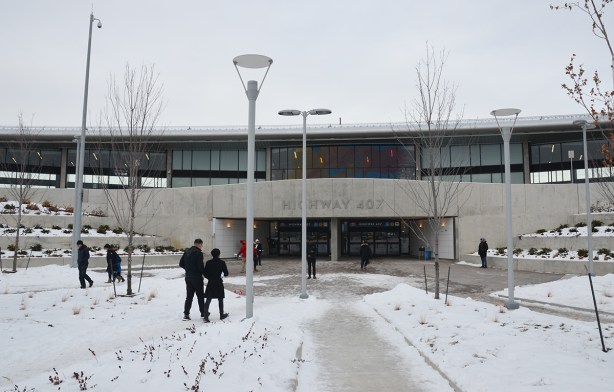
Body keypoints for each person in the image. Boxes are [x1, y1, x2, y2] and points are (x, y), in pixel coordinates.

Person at [179, 238, 207, 321]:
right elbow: (200, 266)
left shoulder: (186, 251)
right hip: (197, 277)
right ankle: (203, 313)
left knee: (189, 297)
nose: (202, 246)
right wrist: (204, 273)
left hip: (188, 277)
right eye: (201, 245)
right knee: (200, 296)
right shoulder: (198, 253)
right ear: (199, 244)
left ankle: (186, 315)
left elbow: (181, 263)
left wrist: (188, 269)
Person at [203, 248, 229, 322]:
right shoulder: (222, 262)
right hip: (218, 282)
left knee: (208, 299)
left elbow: (205, 273)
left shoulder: (208, 262)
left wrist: (210, 278)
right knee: (220, 299)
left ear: (212, 254)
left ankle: (205, 316)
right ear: (219, 254)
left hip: (211, 282)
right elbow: (226, 273)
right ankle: (221, 315)